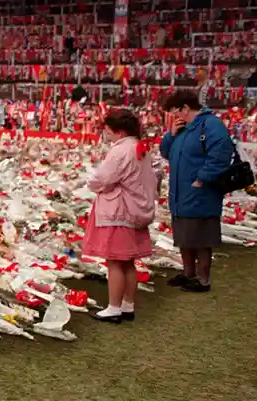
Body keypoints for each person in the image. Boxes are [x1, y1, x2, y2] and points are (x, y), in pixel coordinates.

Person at [83, 109, 158, 322]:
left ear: (119, 131)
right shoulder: (140, 147)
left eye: (107, 130)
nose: (106, 135)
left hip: (119, 211)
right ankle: (127, 305)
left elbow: (103, 179)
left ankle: (113, 307)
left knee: (114, 261)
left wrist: (91, 183)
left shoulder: (120, 151)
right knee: (128, 262)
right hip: (136, 209)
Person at [160, 92, 234, 293]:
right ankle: (188, 274)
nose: (174, 116)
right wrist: (171, 135)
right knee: (184, 236)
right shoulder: (182, 128)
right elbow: (165, 152)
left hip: (201, 191)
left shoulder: (211, 125)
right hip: (179, 191)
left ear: (185, 108)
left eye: (175, 112)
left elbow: (220, 155)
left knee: (201, 237)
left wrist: (201, 179)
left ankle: (203, 279)